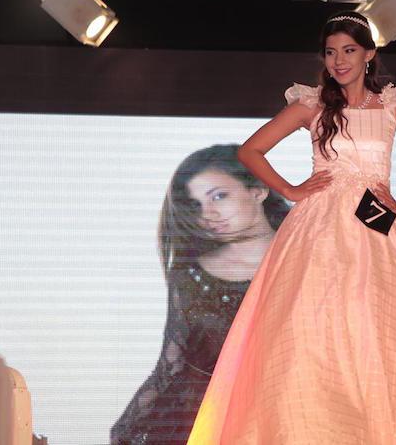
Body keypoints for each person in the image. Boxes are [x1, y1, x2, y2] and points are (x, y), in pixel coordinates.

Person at [187, 11, 396, 444]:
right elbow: (250, 151)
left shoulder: (393, 106)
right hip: (316, 228)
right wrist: (290, 189)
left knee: (372, 335)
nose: (339, 60)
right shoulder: (312, 105)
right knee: (307, 332)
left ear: (369, 54)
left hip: (373, 228)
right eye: (331, 52)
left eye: (349, 50)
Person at [111, 144, 290, 444]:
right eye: (196, 205)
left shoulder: (308, 257)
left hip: (284, 415)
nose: (208, 214)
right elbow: (172, 364)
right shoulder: (190, 274)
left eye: (219, 196)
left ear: (258, 191)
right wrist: (128, 426)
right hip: (201, 420)